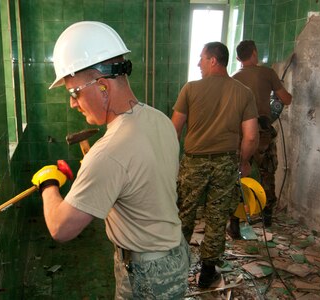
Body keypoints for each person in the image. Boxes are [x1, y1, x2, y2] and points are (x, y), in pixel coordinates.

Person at [30, 21, 190, 299]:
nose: (72, 103)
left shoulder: (109, 152)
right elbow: (143, 182)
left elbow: (60, 227)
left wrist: (48, 184)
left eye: (74, 92)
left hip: (147, 273)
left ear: (103, 87)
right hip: (175, 254)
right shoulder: (158, 119)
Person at [171, 41, 259, 288]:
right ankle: (207, 273)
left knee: (184, 215)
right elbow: (251, 136)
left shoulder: (190, 89)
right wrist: (243, 162)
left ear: (213, 60)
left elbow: (173, 130)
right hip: (225, 164)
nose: (198, 63)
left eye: (201, 58)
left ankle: (175, 270)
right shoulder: (244, 92)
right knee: (217, 218)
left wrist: (169, 164)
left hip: (193, 163)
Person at [231, 40, 292, 232]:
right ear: (255, 54)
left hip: (240, 133)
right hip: (262, 131)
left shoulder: (234, 78)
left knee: (237, 175)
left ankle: (234, 220)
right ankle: (267, 217)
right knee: (267, 172)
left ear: (238, 58)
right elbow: (286, 99)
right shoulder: (267, 73)